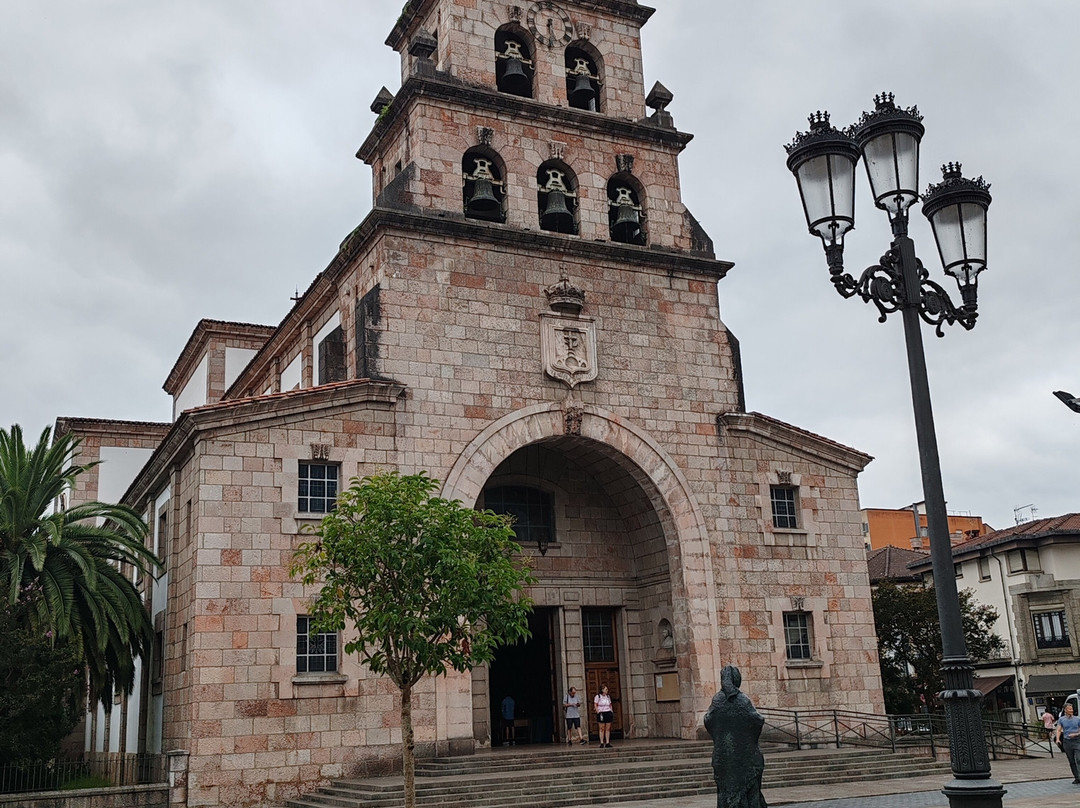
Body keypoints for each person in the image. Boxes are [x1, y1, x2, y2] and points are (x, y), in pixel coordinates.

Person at [703, 665, 768, 808]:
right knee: (750, 794)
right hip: (747, 758)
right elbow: (757, 720)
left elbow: (708, 720)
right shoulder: (742, 700)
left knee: (726, 795)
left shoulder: (717, 700)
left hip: (724, 759)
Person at [1055, 701, 1080, 784]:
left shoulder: (1077, 719)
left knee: (1078, 758)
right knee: (1071, 760)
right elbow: (1058, 729)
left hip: (1077, 740)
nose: (1071, 710)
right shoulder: (1061, 719)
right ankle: (1077, 777)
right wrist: (1058, 739)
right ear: (1065, 710)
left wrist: (1076, 734)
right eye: (1069, 709)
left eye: (1072, 708)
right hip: (1067, 741)